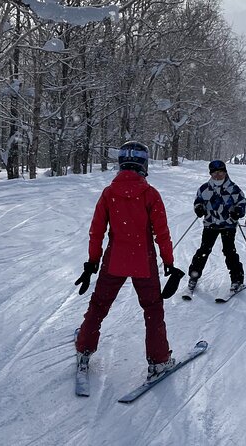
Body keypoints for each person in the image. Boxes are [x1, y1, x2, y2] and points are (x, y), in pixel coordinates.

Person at [74, 141, 179, 382]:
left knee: (98, 306)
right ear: (144, 163)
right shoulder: (150, 194)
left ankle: (84, 348)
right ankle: (159, 360)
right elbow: (162, 233)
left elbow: (96, 231)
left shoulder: (110, 193)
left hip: (115, 259)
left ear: (122, 163)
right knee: (152, 310)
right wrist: (169, 262)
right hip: (144, 260)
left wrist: (92, 261)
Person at [186, 160, 246, 294]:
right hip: (210, 224)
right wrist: (199, 208)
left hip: (228, 225)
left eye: (221, 172)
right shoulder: (205, 189)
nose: (218, 175)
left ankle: (237, 280)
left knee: (229, 251)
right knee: (204, 250)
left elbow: (243, 203)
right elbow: (198, 201)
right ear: (210, 174)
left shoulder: (233, 188)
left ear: (225, 172)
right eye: (214, 173)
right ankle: (194, 276)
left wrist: (238, 211)